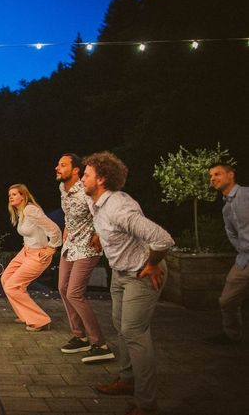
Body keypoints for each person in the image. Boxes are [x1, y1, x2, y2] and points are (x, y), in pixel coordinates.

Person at [84, 152, 174, 415]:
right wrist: (98, 235)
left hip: (141, 274)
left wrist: (153, 263)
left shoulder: (119, 207)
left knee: (134, 332)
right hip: (120, 273)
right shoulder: (97, 202)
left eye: (86, 174)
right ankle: (127, 380)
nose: (82, 178)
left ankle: (146, 404)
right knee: (120, 327)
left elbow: (163, 239)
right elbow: (101, 222)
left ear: (101, 179)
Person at [55, 153, 114, 362]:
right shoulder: (63, 188)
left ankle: (100, 343)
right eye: (58, 165)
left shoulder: (86, 190)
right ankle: (79, 337)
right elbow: (68, 212)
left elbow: (100, 210)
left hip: (88, 246)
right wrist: (66, 227)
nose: (57, 168)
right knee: (63, 288)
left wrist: (98, 233)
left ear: (76, 170)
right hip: (71, 244)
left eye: (63, 165)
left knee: (74, 293)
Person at [1, 184, 62, 332]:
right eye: (10, 194)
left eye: (15, 194)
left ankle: (40, 321)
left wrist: (52, 247)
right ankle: (24, 315)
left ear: (23, 196)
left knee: (12, 286)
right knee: (5, 279)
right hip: (26, 252)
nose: (11, 197)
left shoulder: (31, 210)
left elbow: (54, 229)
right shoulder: (21, 212)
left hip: (38, 254)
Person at [207, 161, 246, 345]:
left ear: (231, 175)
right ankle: (232, 335)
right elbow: (232, 234)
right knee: (227, 300)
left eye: (217, 174)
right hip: (244, 260)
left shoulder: (246, 195)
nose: (213, 178)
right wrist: (242, 249)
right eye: (211, 176)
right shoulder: (226, 208)